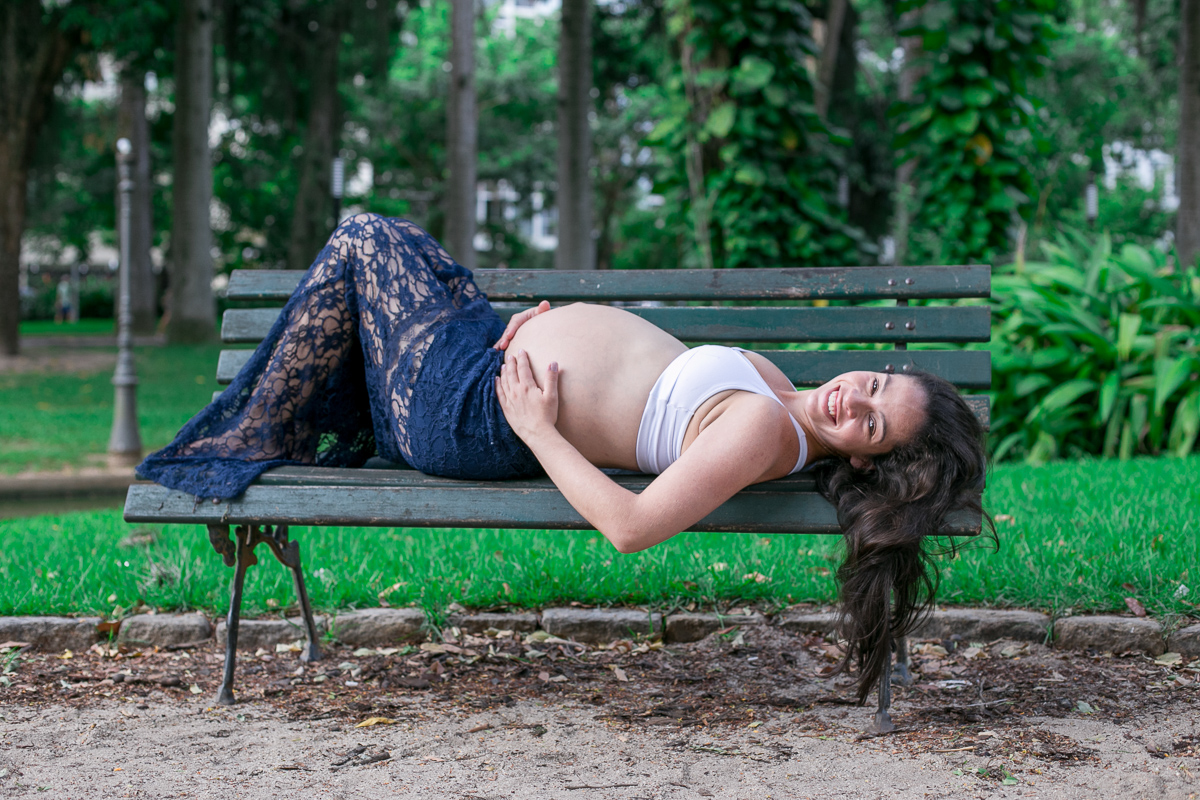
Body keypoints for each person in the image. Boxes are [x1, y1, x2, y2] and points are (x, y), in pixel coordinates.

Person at [138, 213, 990, 702]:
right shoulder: (780, 395)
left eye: (873, 424)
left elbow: (629, 526)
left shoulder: (764, 432)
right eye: (877, 381)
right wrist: (541, 322)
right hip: (486, 362)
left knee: (364, 237)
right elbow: (641, 374)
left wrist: (540, 425)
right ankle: (273, 432)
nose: (857, 397)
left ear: (870, 464)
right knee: (392, 246)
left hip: (480, 413)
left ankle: (258, 436)